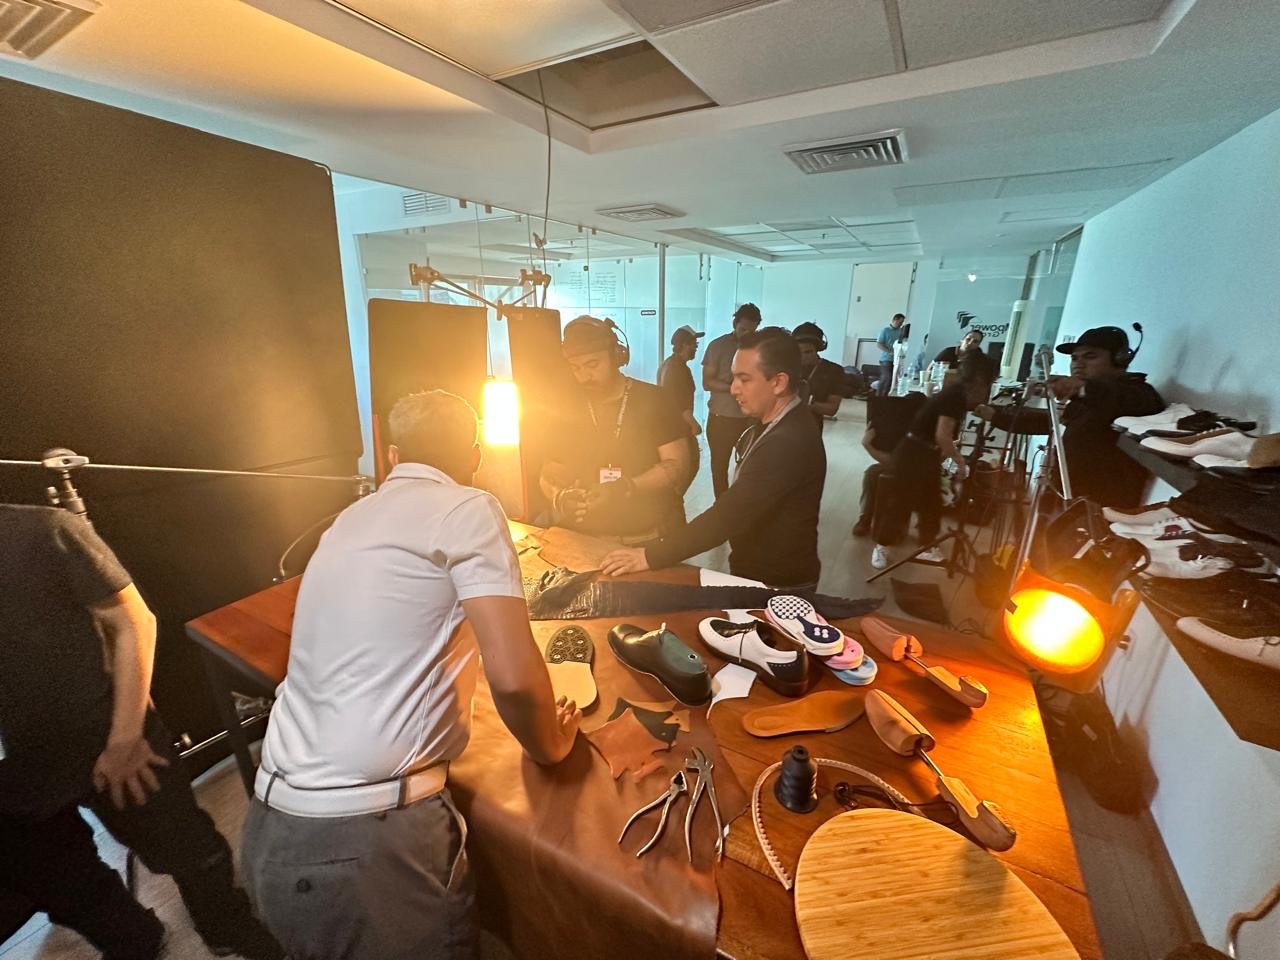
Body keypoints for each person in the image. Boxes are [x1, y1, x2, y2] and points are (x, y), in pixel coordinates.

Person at [240, 390, 581, 960]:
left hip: (268, 831)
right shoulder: (470, 508)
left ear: (391, 454)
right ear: (474, 454)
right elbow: (516, 681)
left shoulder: (347, 520)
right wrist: (553, 745)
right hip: (366, 844)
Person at [0, 505, 282, 960]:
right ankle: (135, 940)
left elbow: (134, 621)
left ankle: (228, 927)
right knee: (65, 882)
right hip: (17, 773)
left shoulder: (43, 530)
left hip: (107, 739)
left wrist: (126, 740)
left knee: (189, 849)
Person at [600, 327, 826, 590]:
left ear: (778, 382)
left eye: (744, 379)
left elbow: (726, 518)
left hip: (778, 584)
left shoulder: (787, 442)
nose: (734, 389)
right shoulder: (779, 421)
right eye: (733, 377)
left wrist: (649, 556)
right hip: (762, 570)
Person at [539, 316, 691, 544]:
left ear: (616, 356)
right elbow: (551, 470)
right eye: (576, 367)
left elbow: (677, 466)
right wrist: (559, 496)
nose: (584, 376)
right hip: (587, 540)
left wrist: (626, 487)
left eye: (593, 365)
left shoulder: (655, 400)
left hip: (649, 539)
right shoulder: (565, 407)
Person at [977, 326, 1163, 508]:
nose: (1078, 364)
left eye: (1090, 356)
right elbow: (1050, 422)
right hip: (1071, 499)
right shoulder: (1085, 400)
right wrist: (995, 416)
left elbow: (1114, 398)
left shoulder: (1139, 394)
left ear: (1120, 358)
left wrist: (1080, 388)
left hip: (1106, 508)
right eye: (1074, 358)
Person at [870, 368, 991, 570]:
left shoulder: (954, 395)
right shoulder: (954, 398)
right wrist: (960, 462)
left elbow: (941, 435)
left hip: (926, 452)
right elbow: (942, 436)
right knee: (901, 502)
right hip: (912, 453)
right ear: (977, 383)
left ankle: (927, 546)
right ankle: (882, 546)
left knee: (931, 503)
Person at [702, 303, 762, 498]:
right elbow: (707, 382)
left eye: (751, 331)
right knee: (719, 468)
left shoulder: (760, 349)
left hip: (749, 419)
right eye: (743, 329)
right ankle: (721, 507)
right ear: (734, 325)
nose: (746, 335)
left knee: (749, 468)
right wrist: (736, 387)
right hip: (720, 418)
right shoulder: (718, 346)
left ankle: (742, 507)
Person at [658, 324, 705, 486]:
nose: (696, 347)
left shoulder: (667, 364)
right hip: (679, 427)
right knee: (687, 467)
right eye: (694, 344)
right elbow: (678, 401)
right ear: (684, 344)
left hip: (672, 425)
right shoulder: (678, 369)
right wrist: (693, 423)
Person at [793, 321, 845, 434]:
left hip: (811, 430)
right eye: (798, 352)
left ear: (819, 349)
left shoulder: (833, 371)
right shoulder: (785, 367)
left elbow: (832, 409)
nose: (802, 357)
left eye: (807, 352)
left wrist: (807, 403)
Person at [875, 312, 906, 396]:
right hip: (885, 359)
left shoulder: (901, 332)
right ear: (894, 320)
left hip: (896, 360)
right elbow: (879, 344)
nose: (901, 324)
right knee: (886, 377)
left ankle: (884, 397)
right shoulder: (885, 330)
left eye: (902, 322)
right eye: (900, 322)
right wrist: (890, 352)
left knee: (892, 380)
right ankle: (878, 396)